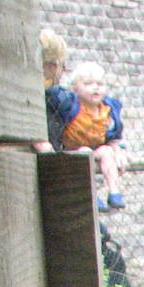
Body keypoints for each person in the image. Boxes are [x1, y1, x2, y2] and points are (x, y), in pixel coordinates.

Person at [49, 60, 129, 211]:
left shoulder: (108, 109)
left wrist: (118, 148)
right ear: (75, 88)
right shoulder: (70, 106)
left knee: (107, 153)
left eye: (100, 84)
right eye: (88, 84)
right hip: (71, 150)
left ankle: (114, 192)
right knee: (84, 151)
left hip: (95, 148)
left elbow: (114, 135)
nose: (95, 88)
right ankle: (92, 195)